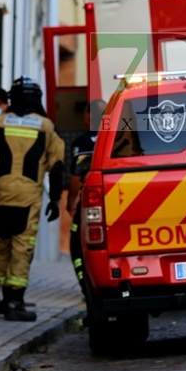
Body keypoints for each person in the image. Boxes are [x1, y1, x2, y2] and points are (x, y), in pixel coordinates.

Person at [0, 77, 66, 322]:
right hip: (28, 196)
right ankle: (15, 301)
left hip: (0, 193)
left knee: (0, 246)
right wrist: (55, 200)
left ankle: (3, 298)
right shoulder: (46, 127)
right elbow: (57, 167)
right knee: (21, 248)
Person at [66, 99, 107, 301]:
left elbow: (76, 177)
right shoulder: (117, 137)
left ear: (89, 117)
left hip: (89, 203)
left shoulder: (82, 142)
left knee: (77, 244)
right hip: (117, 202)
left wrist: (71, 201)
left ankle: (87, 287)